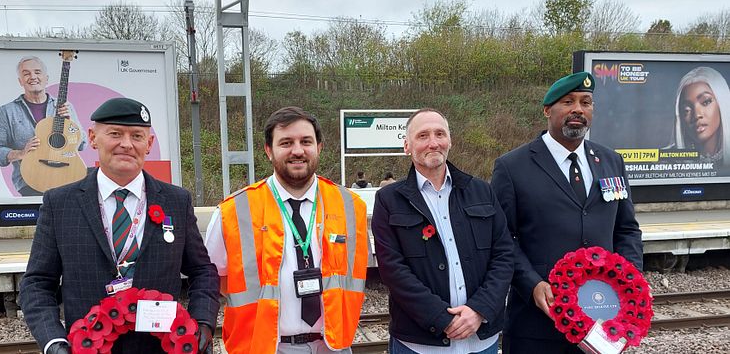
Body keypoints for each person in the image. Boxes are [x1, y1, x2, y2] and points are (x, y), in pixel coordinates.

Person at [19, 97, 220, 354]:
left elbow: (203, 271)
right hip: (87, 349)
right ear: (92, 138)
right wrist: (53, 342)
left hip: (160, 349)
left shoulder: (176, 201)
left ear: (149, 144)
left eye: (137, 136)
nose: (126, 144)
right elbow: (36, 283)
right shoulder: (60, 203)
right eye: (115, 133)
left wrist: (202, 322)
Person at [491, 71, 643, 354]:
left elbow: (626, 230)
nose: (578, 109)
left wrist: (628, 280)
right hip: (537, 325)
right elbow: (501, 239)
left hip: (603, 324)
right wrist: (532, 284)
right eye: (568, 102)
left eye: (586, 102)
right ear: (548, 110)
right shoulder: (512, 167)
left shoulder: (611, 162)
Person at [205, 106, 369, 354]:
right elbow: (214, 278)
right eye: (286, 143)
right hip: (265, 347)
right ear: (269, 151)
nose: (297, 151)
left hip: (334, 346)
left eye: (306, 141)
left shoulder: (351, 206)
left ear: (319, 147)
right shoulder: (233, 211)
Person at [371, 108, 514, 354]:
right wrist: (440, 318)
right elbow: (392, 270)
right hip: (418, 345)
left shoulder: (482, 191)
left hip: (481, 342)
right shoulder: (388, 200)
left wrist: (479, 309)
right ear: (407, 145)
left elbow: (504, 255)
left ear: (450, 141)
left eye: (440, 134)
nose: (433, 142)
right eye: (423, 135)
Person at [0, 56, 86, 196]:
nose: (33, 77)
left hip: (68, 180)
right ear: (20, 81)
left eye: (37, 72)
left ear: (46, 78)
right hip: (30, 182)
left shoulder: (64, 106)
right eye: (26, 73)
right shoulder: (8, 111)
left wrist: (72, 125)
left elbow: (83, 144)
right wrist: (21, 153)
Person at [670, 66, 730, 165]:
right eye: (686, 110)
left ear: (722, 103)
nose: (697, 115)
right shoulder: (667, 161)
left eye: (706, 102)